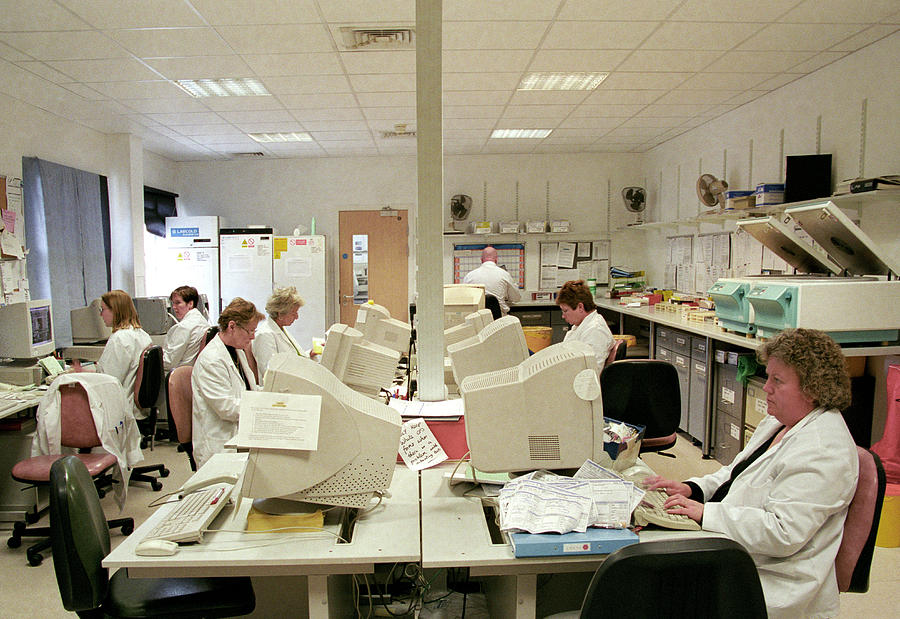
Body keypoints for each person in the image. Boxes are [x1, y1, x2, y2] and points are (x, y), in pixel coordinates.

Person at [644, 328, 858, 619]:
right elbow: (735, 474)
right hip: (740, 553)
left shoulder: (823, 449)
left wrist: (706, 514)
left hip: (771, 581)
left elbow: (783, 533)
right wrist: (692, 489)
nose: (765, 387)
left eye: (777, 381)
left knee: (648, 581)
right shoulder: (781, 423)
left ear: (813, 388)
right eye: (767, 376)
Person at [191, 297, 264, 468]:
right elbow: (227, 408)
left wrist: (272, 394)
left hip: (241, 433)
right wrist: (265, 406)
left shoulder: (236, 351)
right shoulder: (211, 360)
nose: (253, 337)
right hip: (220, 444)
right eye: (250, 331)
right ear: (232, 326)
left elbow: (248, 390)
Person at [71, 290, 152, 420]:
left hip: (120, 410)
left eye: (103, 309)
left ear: (115, 310)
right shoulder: (141, 334)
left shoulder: (120, 339)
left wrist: (81, 375)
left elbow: (108, 381)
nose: (101, 314)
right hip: (138, 409)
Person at [253, 286, 313, 379]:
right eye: (294, 313)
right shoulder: (264, 335)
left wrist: (310, 354)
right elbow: (270, 373)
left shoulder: (281, 329)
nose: (297, 317)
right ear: (280, 314)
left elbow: (293, 357)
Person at [556, 279, 614, 372]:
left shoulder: (595, 331)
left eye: (565, 311)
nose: (563, 316)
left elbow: (591, 372)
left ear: (580, 307)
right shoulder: (582, 325)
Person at [162, 285, 209, 372]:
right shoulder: (202, 321)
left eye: (178, 303)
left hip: (180, 375)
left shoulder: (184, 327)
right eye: (173, 303)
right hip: (194, 372)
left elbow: (168, 363)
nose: (174, 307)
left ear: (190, 304)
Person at [462, 246, 521, 315]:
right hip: (499, 319)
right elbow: (516, 298)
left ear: (481, 260)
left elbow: (464, 300)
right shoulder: (504, 274)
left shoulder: (469, 276)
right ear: (496, 260)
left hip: (477, 318)